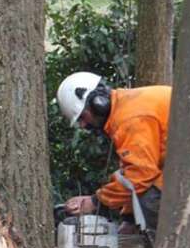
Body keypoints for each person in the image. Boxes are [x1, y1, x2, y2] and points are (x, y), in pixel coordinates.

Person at [56, 71, 172, 236]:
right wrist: (129, 218)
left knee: (151, 200)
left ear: (98, 102)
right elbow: (130, 174)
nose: (83, 125)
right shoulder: (124, 108)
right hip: (185, 160)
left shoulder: (130, 118)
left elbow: (142, 174)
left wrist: (95, 202)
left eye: (82, 117)